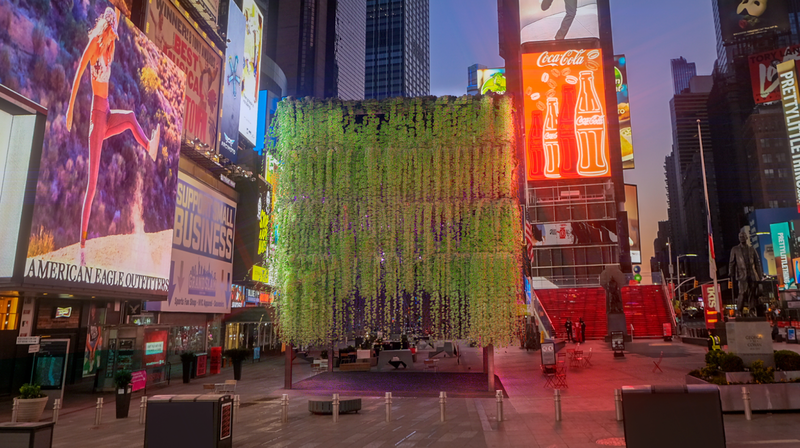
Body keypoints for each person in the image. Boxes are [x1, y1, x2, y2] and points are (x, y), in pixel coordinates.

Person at [65, 7, 160, 254]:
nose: (113, 40)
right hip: (97, 119)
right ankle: (82, 243)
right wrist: (69, 110)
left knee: (129, 117)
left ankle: (149, 146)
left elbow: (115, 15)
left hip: (107, 112)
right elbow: (77, 78)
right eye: (111, 34)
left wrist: (119, 11)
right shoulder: (94, 47)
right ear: (105, 30)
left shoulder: (109, 49)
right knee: (93, 184)